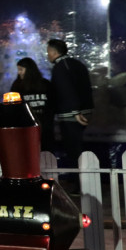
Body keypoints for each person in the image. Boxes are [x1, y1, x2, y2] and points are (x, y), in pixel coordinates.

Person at [47, 39, 93, 173]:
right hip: (84, 110)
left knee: (73, 148)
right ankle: (83, 180)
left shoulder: (60, 67)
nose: (47, 55)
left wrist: (75, 110)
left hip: (72, 114)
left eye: (48, 52)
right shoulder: (77, 64)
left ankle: (79, 183)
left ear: (54, 52)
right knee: (78, 145)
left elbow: (66, 89)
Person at [10, 58, 54, 151]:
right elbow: (13, 106)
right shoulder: (17, 85)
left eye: (21, 69)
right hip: (25, 128)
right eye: (18, 70)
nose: (19, 73)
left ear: (29, 70)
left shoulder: (45, 84)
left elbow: (53, 104)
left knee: (46, 154)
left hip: (44, 128)